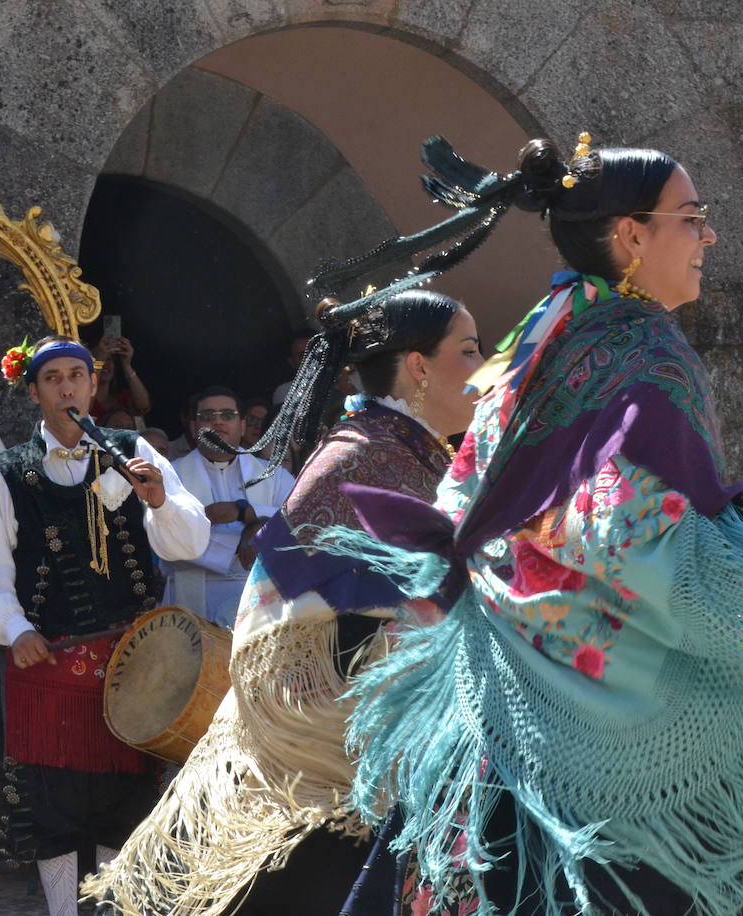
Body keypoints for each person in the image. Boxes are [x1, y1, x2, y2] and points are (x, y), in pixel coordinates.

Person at [300, 135, 743, 916]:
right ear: (631, 235)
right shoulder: (645, 352)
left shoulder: (548, 329)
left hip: (514, 713)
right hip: (623, 761)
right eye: (691, 218)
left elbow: (498, 510)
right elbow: (627, 537)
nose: (709, 237)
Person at [84, 290, 481, 916]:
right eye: (469, 350)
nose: (483, 367)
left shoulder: (410, 450)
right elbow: (310, 620)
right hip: (333, 761)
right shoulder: (363, 459)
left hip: (385, 752)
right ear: (418, 367)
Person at [0, 335, 208, 916]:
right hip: (47, 664)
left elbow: (190, 541)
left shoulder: (133, 451)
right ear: (35, 392)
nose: (67, 386)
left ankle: (117, 909)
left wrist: (160, 500)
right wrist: (15, 629)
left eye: (77, 375)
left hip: (133, 661)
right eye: (53, 378)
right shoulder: (8, 475)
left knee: (126, 801)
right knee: (53, 803)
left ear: (94, 385)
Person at [164, 386, 294, 628]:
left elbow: (300, 521)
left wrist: (245, 512)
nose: (218, 422)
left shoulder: (272, 475)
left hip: (262, 598)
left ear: (242, 425)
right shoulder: (170, 476)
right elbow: (168, 542)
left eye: (227, 415)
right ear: (193, 427)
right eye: (207, 416)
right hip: (193, 598)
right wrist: (244, 546)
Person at [90, 333, 151, 422]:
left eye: (109, 359)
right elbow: (86, 408)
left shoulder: (120, 400)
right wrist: (98, 363)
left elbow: (143, 406)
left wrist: (126, 364)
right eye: (101, 358)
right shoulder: (82, 397)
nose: (105, 364)